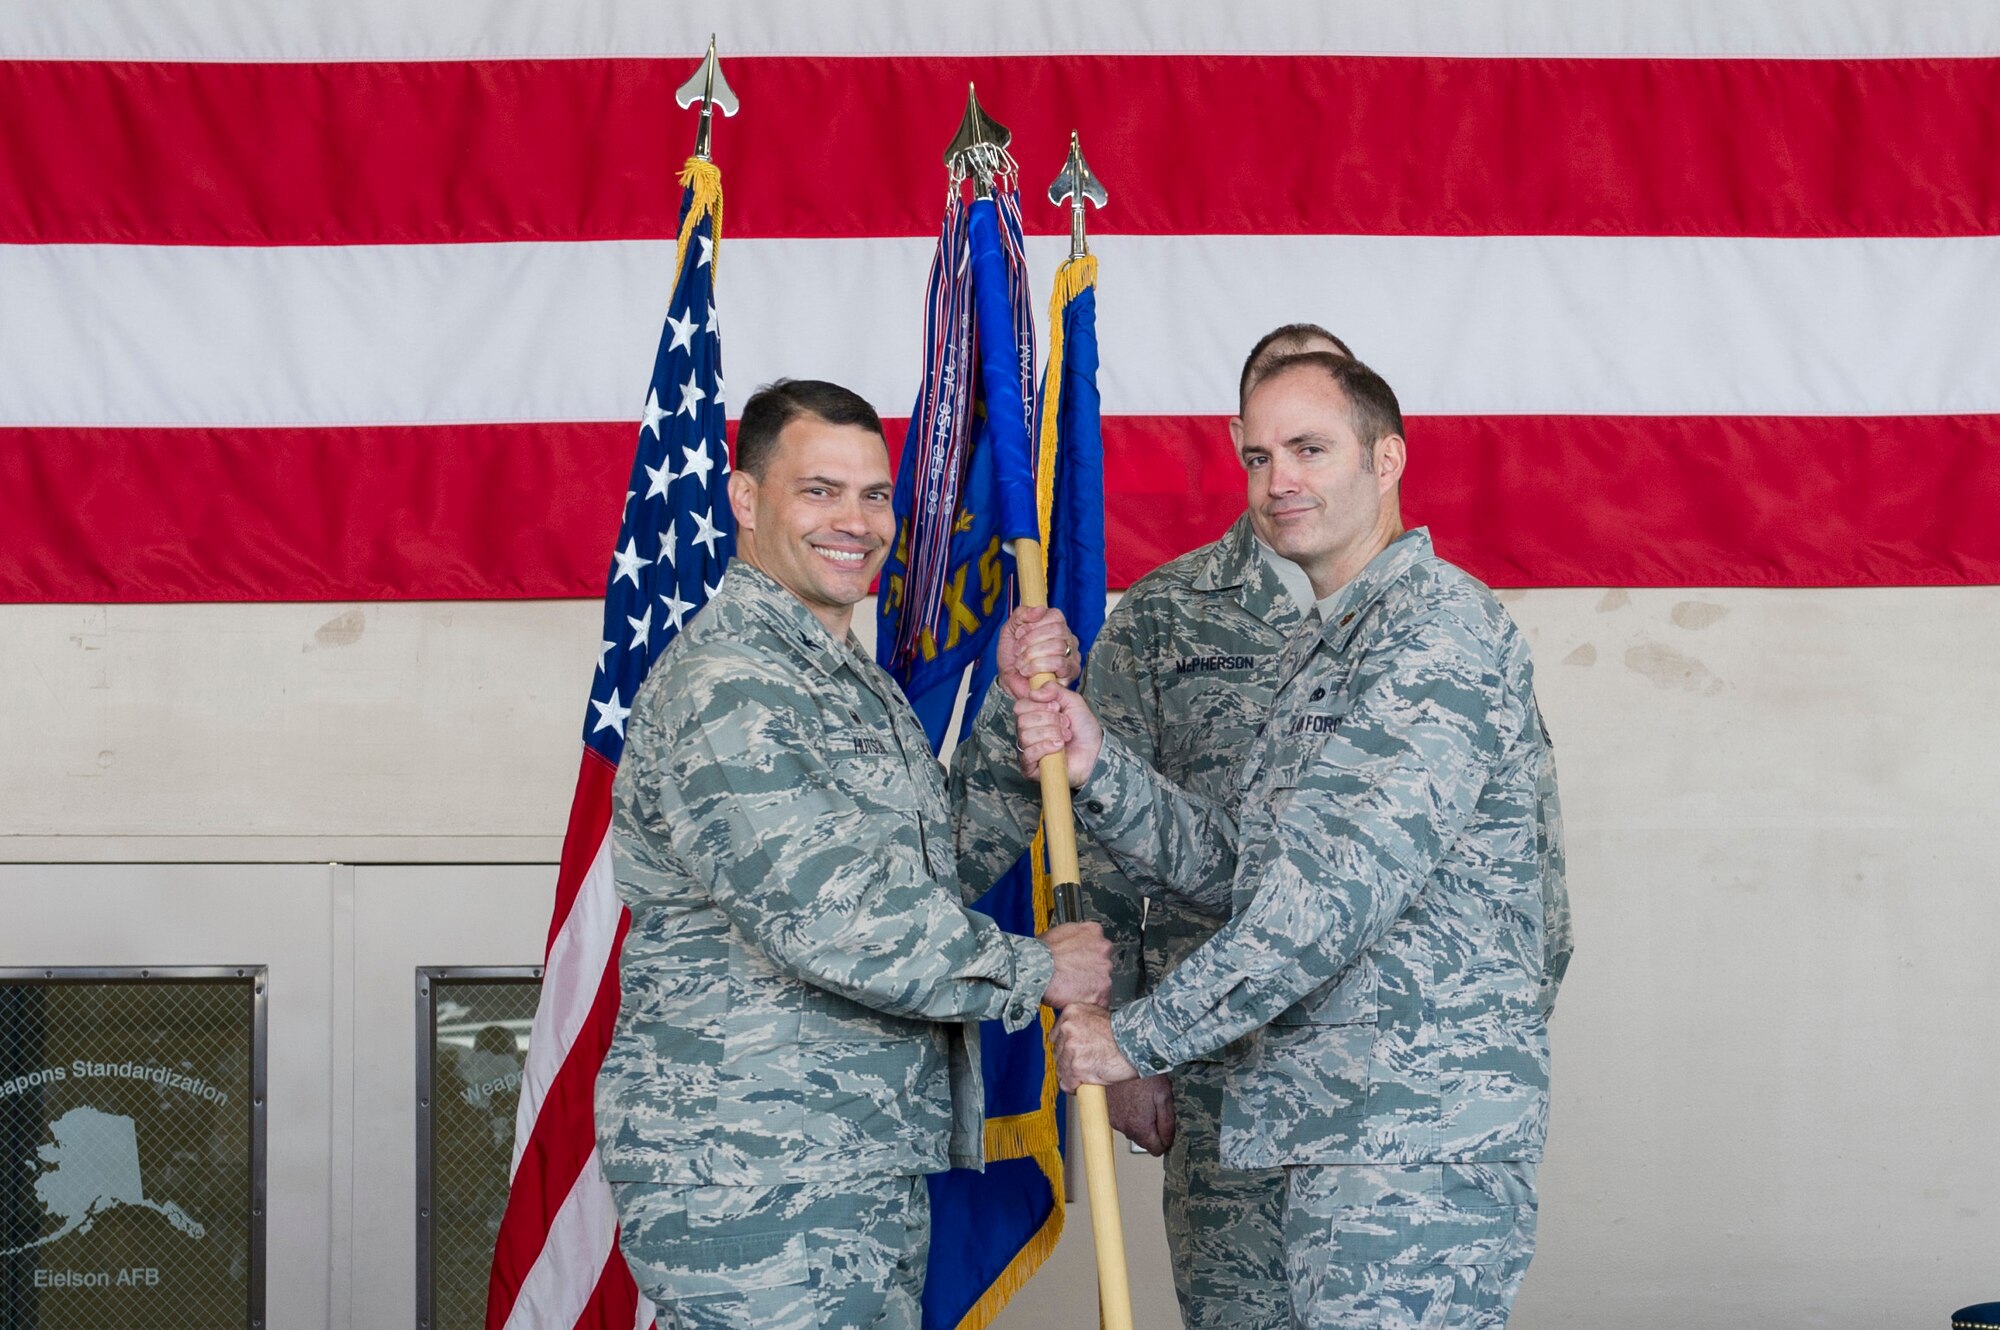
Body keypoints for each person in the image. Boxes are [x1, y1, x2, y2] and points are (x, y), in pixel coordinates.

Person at [1020, 353, 1571, 1329]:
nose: (1279, 481)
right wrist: (1097, 765)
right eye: (1257, 456)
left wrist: (1132, 1037)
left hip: (1407, 1143)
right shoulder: (1324, 647)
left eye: (1309, 449)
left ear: (1385, 458)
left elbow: (1322, 903)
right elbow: (1247, 873)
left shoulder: (1434, 631)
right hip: (1325, 1129)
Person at [596, 378, 1112, 1330]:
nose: (857, 521)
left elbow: (930, 876)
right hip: (753, 1173)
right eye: (820, 490)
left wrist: (1010, 719)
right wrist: (1035, 966)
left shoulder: (848, 685)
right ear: (746, 500)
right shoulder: (729, 686)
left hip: (848, 1164)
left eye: (875, 495)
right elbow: (833, 918)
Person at [957, 322, 1355, 1328]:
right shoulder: (1167, 614)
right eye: (1265, 435)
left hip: (1374, 1063)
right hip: (1217, 1061)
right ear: (1239, 439)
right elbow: (1092, 836)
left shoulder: (1418, 623)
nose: (1284, 462)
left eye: (1310, 433)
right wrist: (1129, 1037)